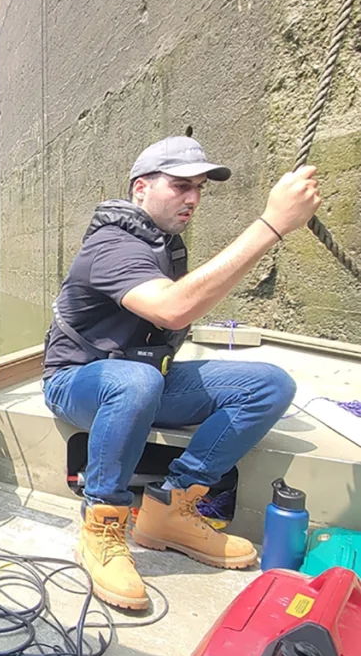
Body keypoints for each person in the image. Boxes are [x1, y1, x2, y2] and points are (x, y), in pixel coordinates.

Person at [43, 136, 321, 611]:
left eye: (198, 189)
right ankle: (102, 524)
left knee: (270, 385)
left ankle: (171, 507)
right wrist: (272, 224)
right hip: (79, 379)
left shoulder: (165, 246)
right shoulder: (112, 244)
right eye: (179, 186)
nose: (192, 199)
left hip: (146, 378)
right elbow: (172, 309)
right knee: (135, 380)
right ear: (141, 189)